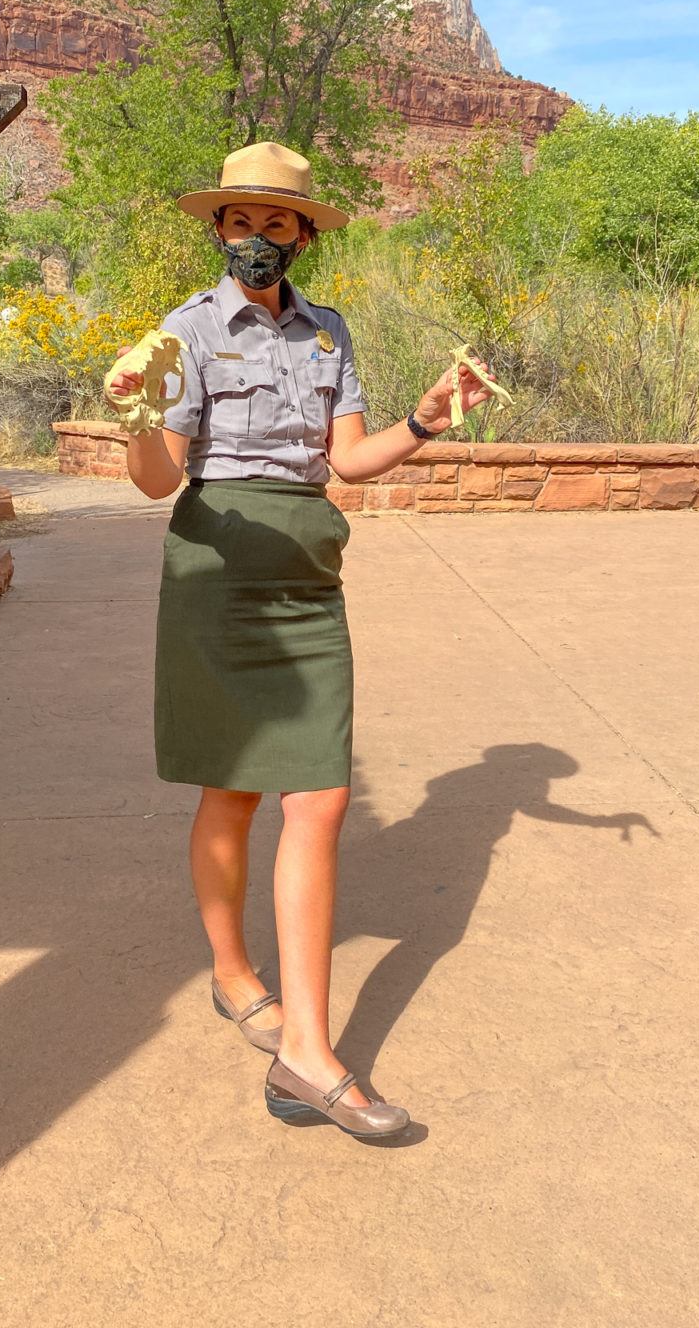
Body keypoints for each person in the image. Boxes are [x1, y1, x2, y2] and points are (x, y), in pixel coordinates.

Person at [104, 141, 494, 1140]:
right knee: (230, 789)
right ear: (217, 228)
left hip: (308, 580)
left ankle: (301, 1053)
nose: (257, 237)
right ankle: (242, 981)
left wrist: (428, 418)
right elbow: (158, 479)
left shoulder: (329, 335)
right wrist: (140, 415)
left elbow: (350, 460)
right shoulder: (184, 331)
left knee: (318, 793)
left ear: (305, 234)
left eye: (279, 222)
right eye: (240, 220)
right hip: (218, 570)